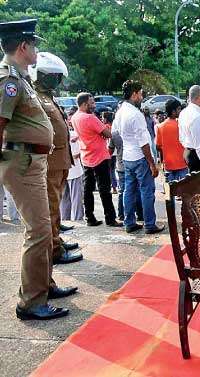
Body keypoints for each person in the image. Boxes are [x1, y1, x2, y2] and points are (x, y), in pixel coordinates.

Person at [0, 19, 75, 320]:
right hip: (22, 163)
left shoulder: (20, 78)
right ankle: (30, 302)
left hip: (33, 162)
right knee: (40, 232)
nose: (37, 51)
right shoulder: (8, 80)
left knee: (44, 229)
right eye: (34, 45)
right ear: (23, 47)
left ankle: (44, 286)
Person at [31, 52, 82, 264]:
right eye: (55, 76)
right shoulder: (36, 98)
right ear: (44, 76)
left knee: (56, 205)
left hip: (60, 160)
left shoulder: (48, 97)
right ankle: (54, 250)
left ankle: (56, 241)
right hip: (51, 162)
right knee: (51, 208)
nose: (59, 80)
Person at [113, 80, 164, 234]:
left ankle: (129, 222)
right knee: (146, 191)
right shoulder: (135, 114)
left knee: (129, 190)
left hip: (128, 157)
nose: (142, 97)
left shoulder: (120, 111)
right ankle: (149, 224)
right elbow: (143, 143)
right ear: (134, 94)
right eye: (141, 93)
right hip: (140, 157)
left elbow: (116, 133)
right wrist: (152, 164)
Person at [72, 92, 121, 227]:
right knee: (104, 189)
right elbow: (108, 134)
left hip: (86, 156)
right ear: (84, 104)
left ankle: (90, 217)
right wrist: (105, 130)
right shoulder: (90, 118)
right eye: (92, 103)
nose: (94, 105)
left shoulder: (75, 117)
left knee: (88, 189)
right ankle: (110, 218)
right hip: (99, 156)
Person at [108, 125, 143, 222]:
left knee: (123, 191)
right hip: (135, 162)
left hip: (121, 165)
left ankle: (122, 215)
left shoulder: (114, 134)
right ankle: (140, 214)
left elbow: (110, 151)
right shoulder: (134, 131)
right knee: (137, 190)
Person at [179, 85, 200, 173]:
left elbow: (181, 137)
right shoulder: (196, 117)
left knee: (194, 184)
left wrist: (188, 148)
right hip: (197, 157)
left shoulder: (183, 112)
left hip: (189, 152)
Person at [155, 99, 187, 183]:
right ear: (173, 111)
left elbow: (158, 146)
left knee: (171, 191)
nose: (181, 111)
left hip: (168, 165)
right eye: (179, 109)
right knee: (184, 192)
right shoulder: (181, 125)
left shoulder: (160, 127)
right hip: (182, 164)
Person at [60, 121, 84, 221]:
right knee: (76, 197)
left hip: (62, 170)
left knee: (64, 198)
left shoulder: (55, 135)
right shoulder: (74, 135)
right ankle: (78, 218)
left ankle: (65, 219)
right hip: (74, 170)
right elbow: (78, 153)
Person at [102, 112, 118, 194]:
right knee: (112, 170)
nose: (102, 119)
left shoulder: (105, 127)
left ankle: (113, 187)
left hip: (108, 151)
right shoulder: (114, 126)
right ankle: (114, 186)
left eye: (103, 118)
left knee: (109, 171)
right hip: (115, 152)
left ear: (106, 119)